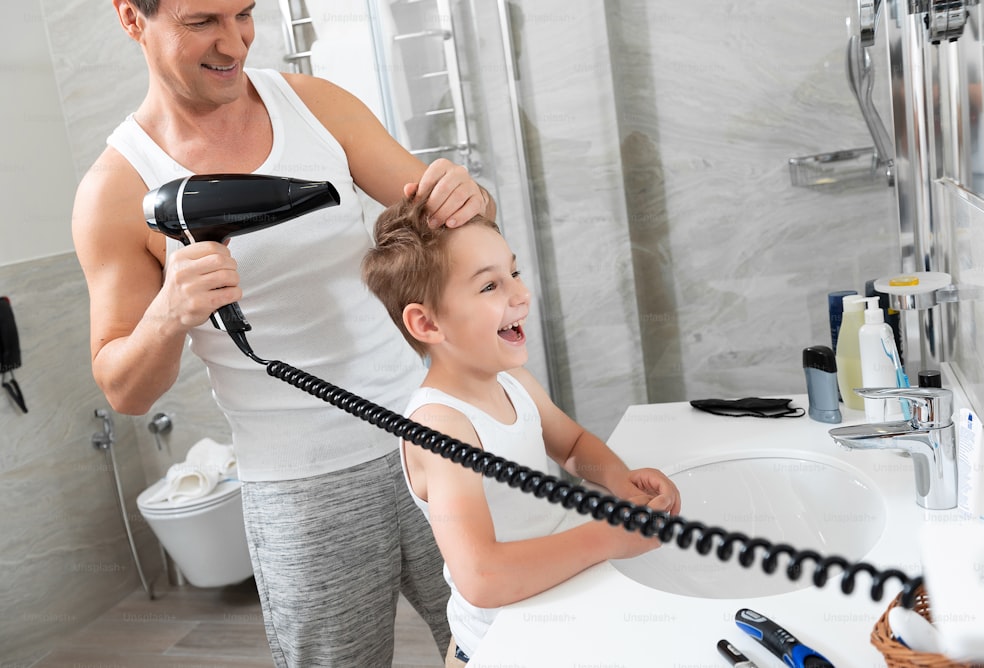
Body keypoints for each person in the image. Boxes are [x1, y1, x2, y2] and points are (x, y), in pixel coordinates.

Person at [71, 1, 496, 665]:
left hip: (431, 436)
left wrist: (470, 200)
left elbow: (455, 228)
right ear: (132, 18)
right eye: (201, 21)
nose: (233, 41)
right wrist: (170, 313)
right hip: (300, 491)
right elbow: (124, 388)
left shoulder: (315, 105)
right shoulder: (115, 191)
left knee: (511, 644)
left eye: (243, 13)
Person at [361, 197, 682, 665]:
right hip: (504, 640)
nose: (520, 294)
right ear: (427, 322)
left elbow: (571, 445)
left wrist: (621, 481)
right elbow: (482, 576)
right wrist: (609, 535)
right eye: (490, 285)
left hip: (552, 600)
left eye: (514, 272)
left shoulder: (513, 383)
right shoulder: (442, 427)